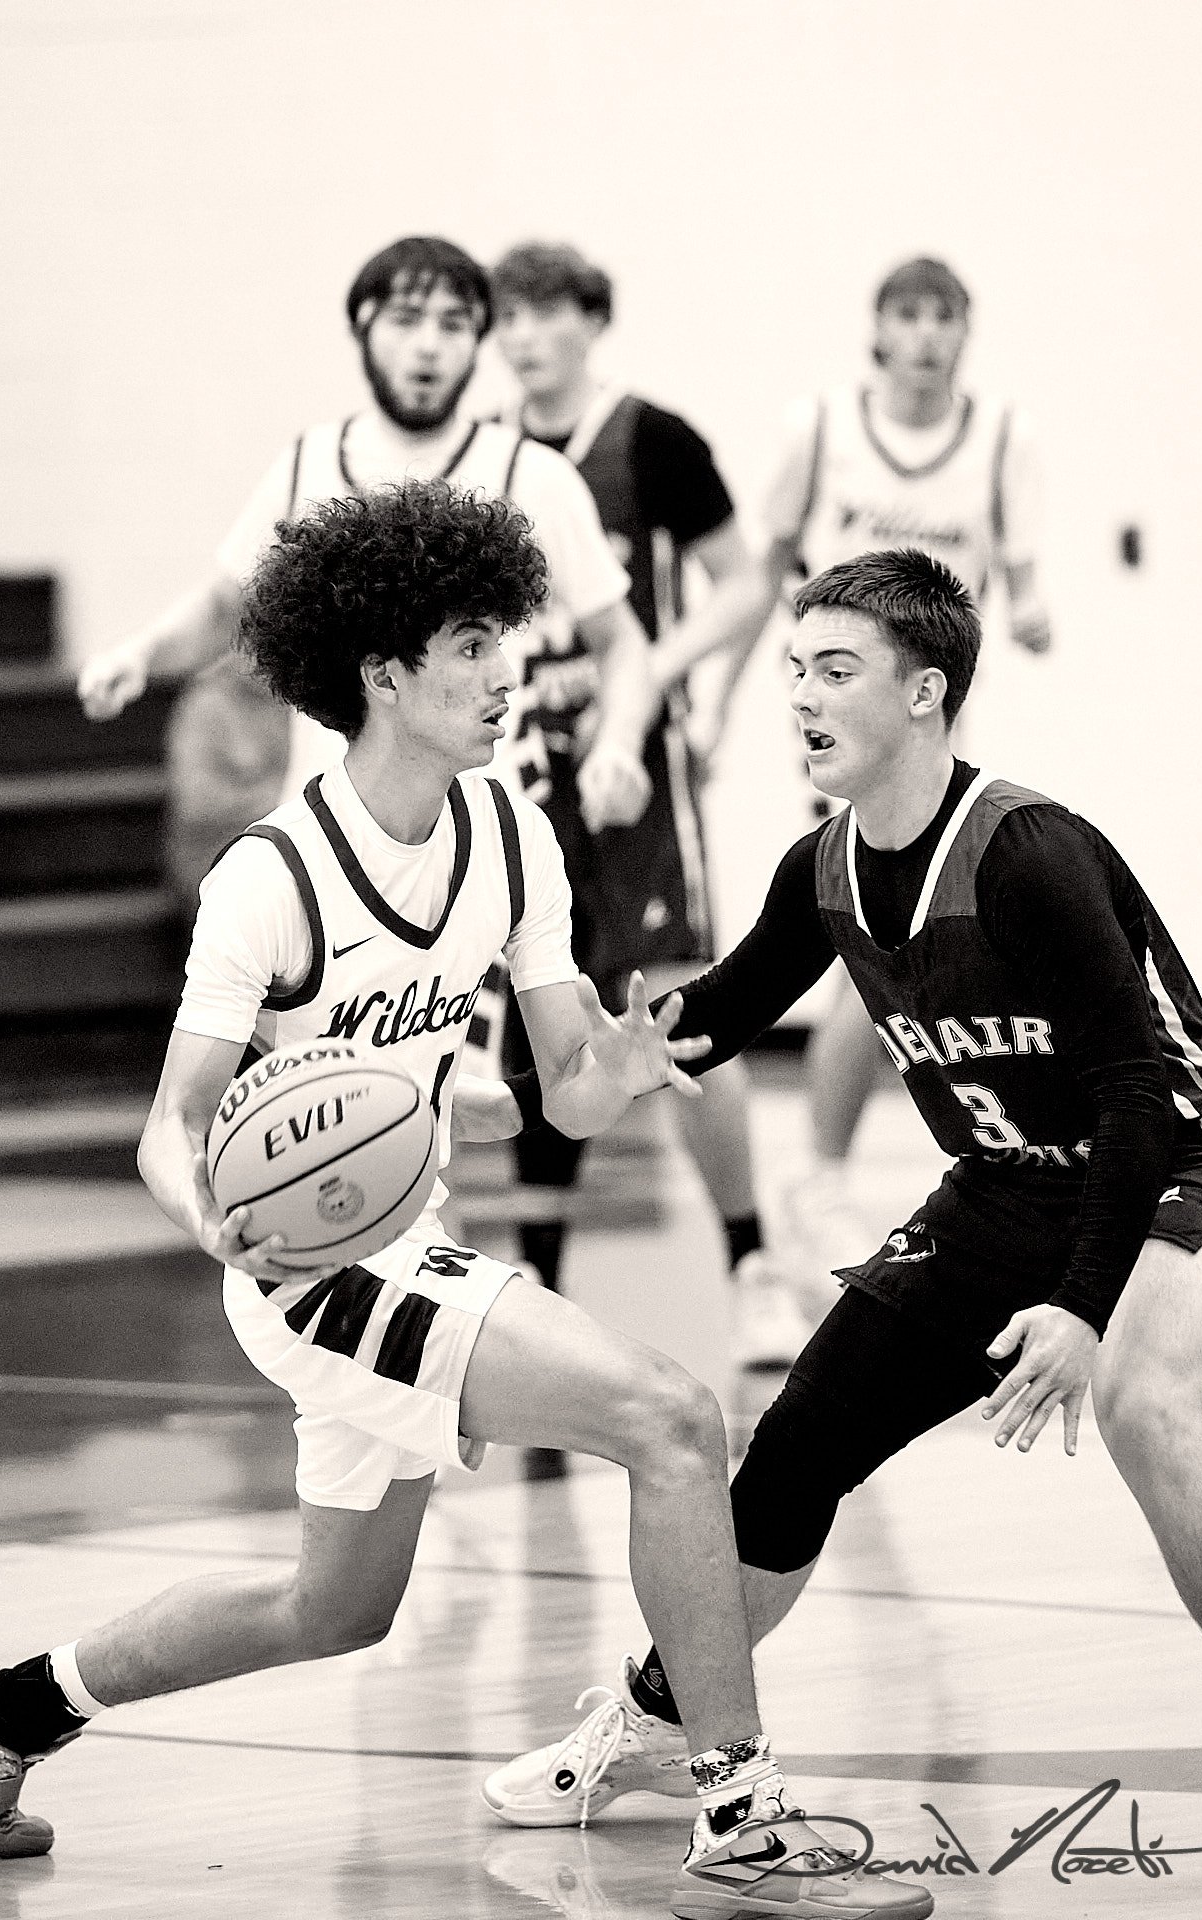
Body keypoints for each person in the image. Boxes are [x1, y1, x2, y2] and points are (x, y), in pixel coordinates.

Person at [0, 485, 927, 1920]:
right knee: (675, 1418)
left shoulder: (511, 836)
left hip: (412, 1243)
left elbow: (568, 1094)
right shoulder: (269, 880)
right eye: (473, 647)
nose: (511, 672)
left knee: (333, 1607)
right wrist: (212, 1219)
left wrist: (619, 1071)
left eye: (507, 638)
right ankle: (740, 1819)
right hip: (306, 1267)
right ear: (383, 674)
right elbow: (167, 1130)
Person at [481, 547, 1202, 1827]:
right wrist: (541, 1085)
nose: (802, 697)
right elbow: (700, 1026)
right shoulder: (820, 870)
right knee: (798, 1447)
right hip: (1004, 1185)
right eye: (795, 670)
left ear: (925, 691)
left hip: (1184, 1158)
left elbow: (1136, 1096)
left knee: (1142, 1403)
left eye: (836, 670)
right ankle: (663, 1717)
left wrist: (1080, 1305)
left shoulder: (1027, 853)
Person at [660, 257, 1054, 1278]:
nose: (924, 335)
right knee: (867, 940)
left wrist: (1035, 609)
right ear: (878, 331)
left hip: (934, 725)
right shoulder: (823, 428)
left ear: (965, 332)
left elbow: (1022, 574)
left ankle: (824, 1178)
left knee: (893, 948)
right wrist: (717, 702)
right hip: (844, 724)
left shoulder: (1002, 438)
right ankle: (823, 1178)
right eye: (906, 315)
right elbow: (761, 578)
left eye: (942, 316)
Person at [77, 236, 659, 906]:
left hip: (478, 842)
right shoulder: (308, 463)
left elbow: (622, 642)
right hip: (332, 840)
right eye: (406, 320)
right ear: (363, 327)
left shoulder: (532, 476)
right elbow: (222, 608)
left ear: (479, 343)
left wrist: (617, 744)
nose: (428, 347)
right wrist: (139, 654)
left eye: (454, 325)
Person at [489, 241, 799, 1366]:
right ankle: (534, 1277)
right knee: (540, 1006)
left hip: (638, 776)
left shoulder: (652, 440)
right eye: (508, 316)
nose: (524, 335)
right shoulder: (489, 457)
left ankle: (752, 1264)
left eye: (545, 312)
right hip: (525, 765)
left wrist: (656, 674)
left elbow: (749, 582)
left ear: (591, 320)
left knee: (678, 1003)